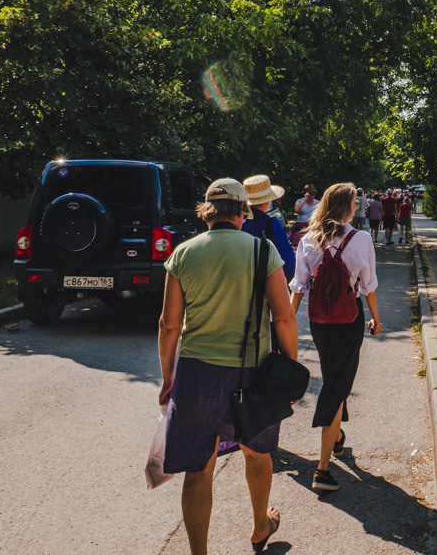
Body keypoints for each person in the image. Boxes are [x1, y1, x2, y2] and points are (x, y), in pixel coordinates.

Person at [158, 178, 300, 554]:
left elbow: (170, 325)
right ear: (243, 211)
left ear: (207, 212)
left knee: (199, 468)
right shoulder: (262, 251)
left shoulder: (184, 254)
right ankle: (259, 527)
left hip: (196, 374)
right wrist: (290, 374)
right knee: (257, 453)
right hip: (251, 374)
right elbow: (284, 318)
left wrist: (167, 376)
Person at [290, 183, 381, 492]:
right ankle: (323, 469)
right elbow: (368, 285)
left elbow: (299, 287)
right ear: (347, 207)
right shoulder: (361, 239)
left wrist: (289, 323)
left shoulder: (308, 240)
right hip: (349, 319)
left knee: (334, 377)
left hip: (319, 321)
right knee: (336, 386)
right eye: (354, 203)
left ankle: (338, 437)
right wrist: (376, 319)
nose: (357, 207)